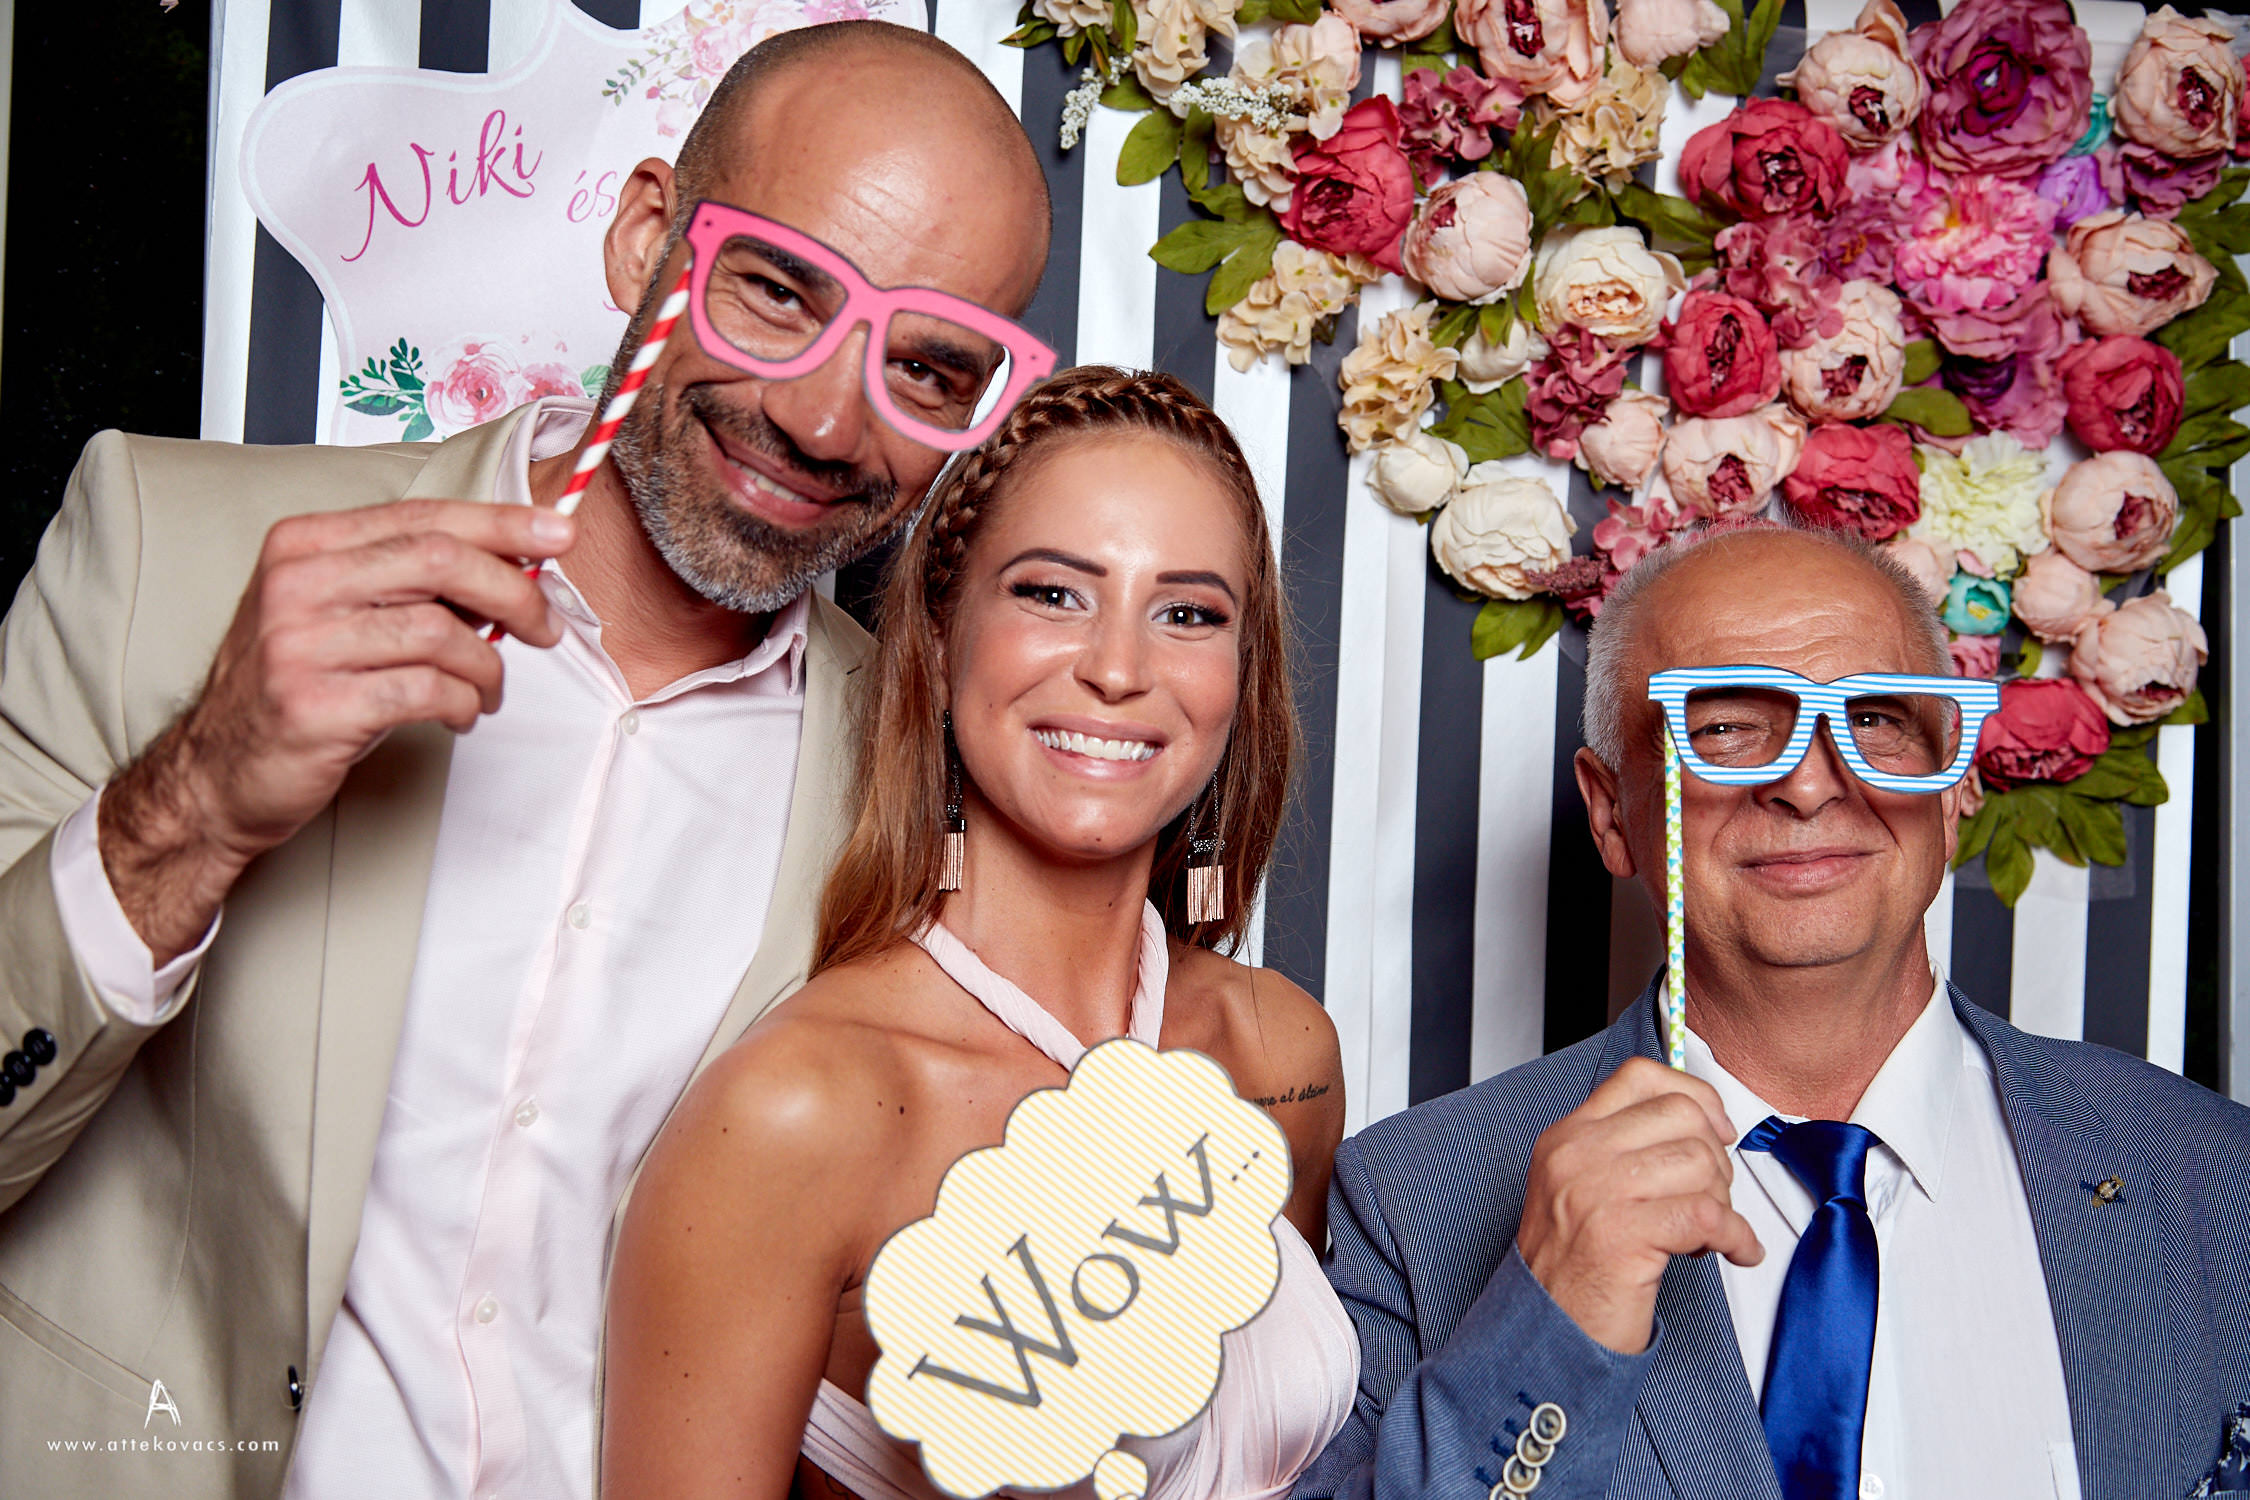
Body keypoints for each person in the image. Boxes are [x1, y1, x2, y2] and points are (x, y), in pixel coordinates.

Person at [0, 22, 1051, 1499]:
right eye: (775, 290)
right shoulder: (167, 546)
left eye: (929, 368)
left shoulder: (924, 792)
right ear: (646, 240)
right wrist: (191, 804)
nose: (823, 418)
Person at [1292, 525, 2250, 1500]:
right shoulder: (1411, 1201)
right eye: (1724, 727)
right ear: (1613, 813)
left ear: (1959, 781)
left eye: (1873, 717)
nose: (1807, 783)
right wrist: (1553, 1322)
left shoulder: (2216, 1175)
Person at [600, 367, 1355, 1500]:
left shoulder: (1279, 1051)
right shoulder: (795, 1110)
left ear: (1242, 678)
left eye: (1189, 613)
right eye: (1053, 593)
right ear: (942, 633)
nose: (1118, 669)